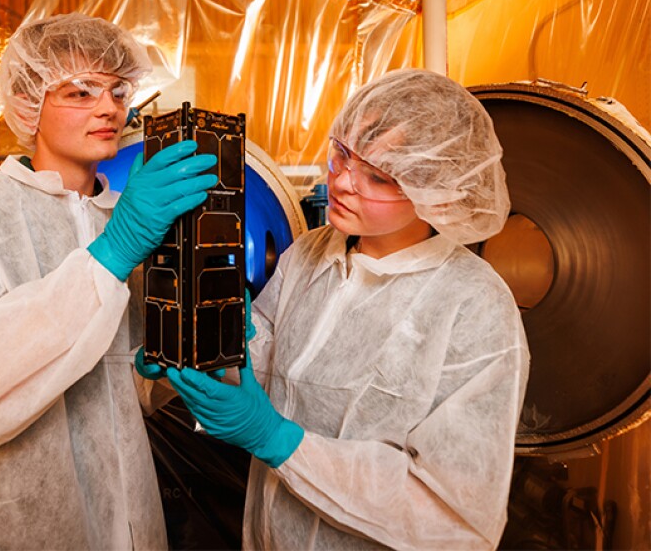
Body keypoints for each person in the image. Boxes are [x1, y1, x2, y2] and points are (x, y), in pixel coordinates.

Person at [0, 13, 218, 549]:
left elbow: (123, 392)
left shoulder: (131, 218)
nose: (108, 107)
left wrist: (181, 352)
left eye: (116, 90)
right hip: (9, 526)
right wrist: (112, 254)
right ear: (29, 105)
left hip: (129, 523)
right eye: (80, 92)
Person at [145, 68, 530, 549]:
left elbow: (453, 520)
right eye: (342, 153)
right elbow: (257, 373)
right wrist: (201, 348)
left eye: (378, 175)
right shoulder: (310, 253)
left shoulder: (473, 309)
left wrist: (279, 441)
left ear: (436, 190)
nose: (344, 182)